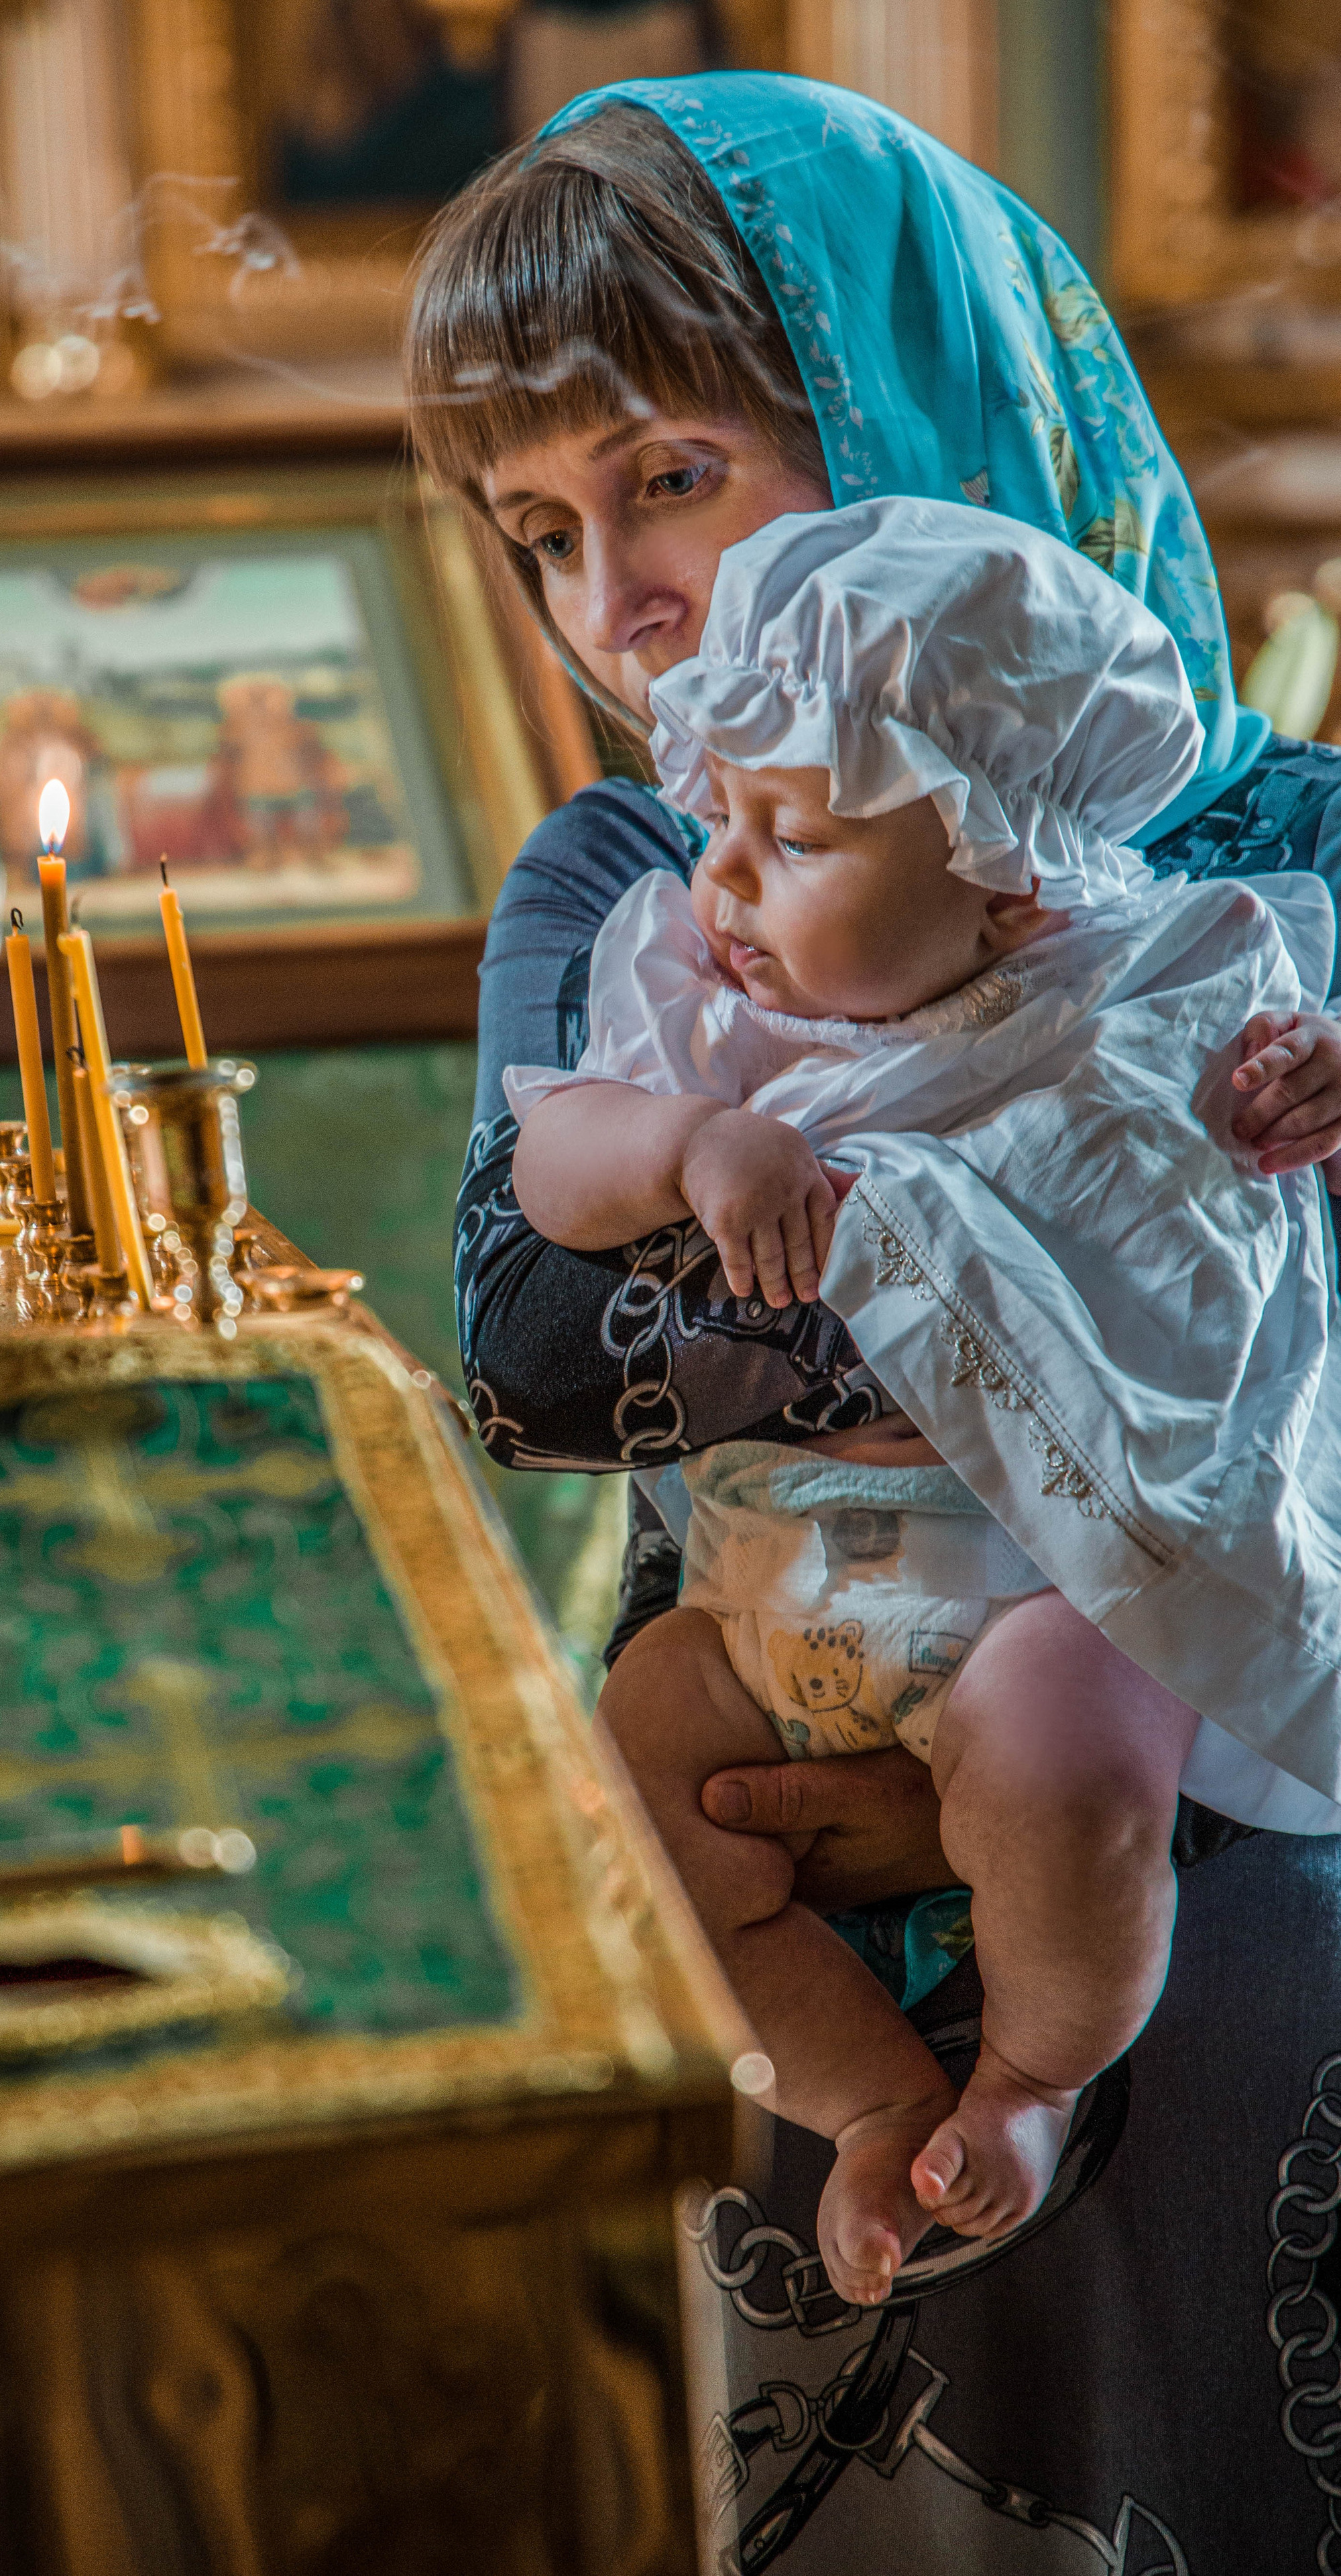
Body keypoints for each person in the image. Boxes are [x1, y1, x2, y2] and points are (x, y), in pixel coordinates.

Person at [408, 72, 1341, 2564]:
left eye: (671, 476)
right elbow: (527, 1335)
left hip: (1240, 1801)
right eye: (541, 532)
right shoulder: (629, 876)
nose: (620, 601)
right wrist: (1034, 1256)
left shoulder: (1287, 868)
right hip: (764, 1762)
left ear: (928, 419)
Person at [508, 490, 1341, 2310]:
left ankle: (1030, 2078)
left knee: (1069, 1761)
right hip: (761, 1601)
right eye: (723, 816)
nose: (727, 877)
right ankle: (868, 2100)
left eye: (794, 836)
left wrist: (1315, 1099)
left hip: (1033, 1590)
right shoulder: (701, 998)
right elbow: (551, 1175)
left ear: (1005, 877)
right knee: (628, 1780)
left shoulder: (1156, 986)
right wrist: (687, 1140)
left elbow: (1243, 1252)